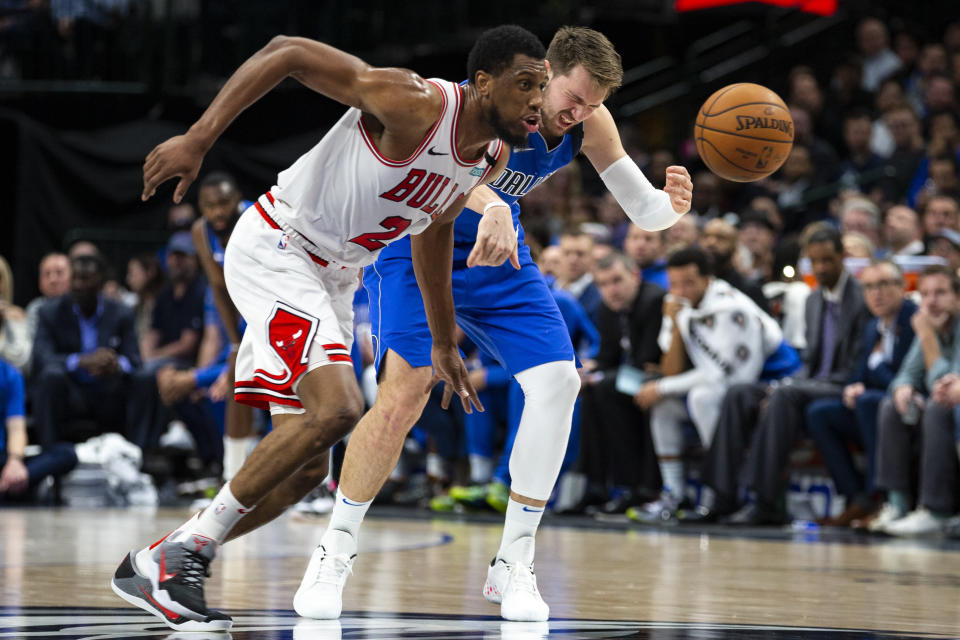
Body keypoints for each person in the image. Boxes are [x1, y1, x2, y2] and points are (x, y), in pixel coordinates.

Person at [111, 25, 547, 632]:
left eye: (543, 87)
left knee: (309, 469)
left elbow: (432, 231)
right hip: (280, 247)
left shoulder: (490, 156)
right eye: (526, 84)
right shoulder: (415, 102)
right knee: (340, 409)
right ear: (482, 84)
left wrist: (444, 340)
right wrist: (199, 137)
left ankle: (165, 560)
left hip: (336, 276)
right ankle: (178, 555)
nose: (537, 100)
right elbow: (286, 52)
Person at [347, 26, 690, 622]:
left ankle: (514, 559)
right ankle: (335, 550)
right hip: (414, 240)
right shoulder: (471, 105)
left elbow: (643, 210)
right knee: (405, 392)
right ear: (541, 74)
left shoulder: (589, 121)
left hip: (497, 252)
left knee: (560, 382)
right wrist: (496, 205)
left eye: (592, 105)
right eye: (571, 98)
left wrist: (670, 207)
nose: (577, 114)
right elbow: (456, 178)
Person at [628, 246, 792, 523]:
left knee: (701, 397)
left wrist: (661, 387)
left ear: (708, 279)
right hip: (731, 387)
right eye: (675, 283)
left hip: (773, 381)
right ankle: (675, 494)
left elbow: (724, 378)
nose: (681, 290)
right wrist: (675, 323)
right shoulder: (679, 304)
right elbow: (672, 370)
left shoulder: (731, 308)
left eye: (689, 282)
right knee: (664, 407)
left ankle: (721, 491)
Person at [805, 260, 916, 527]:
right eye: (868, 287)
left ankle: (877, 496)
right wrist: (852, 387)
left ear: (902, 287)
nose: (876, 294)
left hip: (905, 408)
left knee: (869, 402)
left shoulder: (913, 320)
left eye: (883, 285)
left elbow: (906, 380)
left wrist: (875, 369)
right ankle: (854, 496)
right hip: (872, 407)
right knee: (820, 413)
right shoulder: (872, 326)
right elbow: (859, 373)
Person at [870, 265, 960, 536]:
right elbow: (905, 374)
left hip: (950, 409)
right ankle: (897, 504)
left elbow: (943, 385)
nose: (931, 301)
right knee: (892, 405)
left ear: (958, 297)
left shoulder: (937, 328)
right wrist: (903, 388)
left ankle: (937, 511)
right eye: (925, 294)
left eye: (941, 293)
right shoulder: (932, 325)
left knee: (937, 408)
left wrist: (926, 336)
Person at [31, 254, 142, 448]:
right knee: (51, 376)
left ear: (100, 282)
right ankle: (50, 454)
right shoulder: (50, 311)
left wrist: (116, 364)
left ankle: (140, 453)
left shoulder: (121, 312)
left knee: (144, 378)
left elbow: (134, 360)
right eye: (74, 278)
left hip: (109, 388)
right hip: (70, 389)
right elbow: (42, 357)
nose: (78, 285)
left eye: (85, 278)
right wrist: (81, 361)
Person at [190, 172, 255, 482]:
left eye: (224, 204)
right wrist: (234, 343)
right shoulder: (201, 232)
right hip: (245, 315)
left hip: (281, 308)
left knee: (294, 396)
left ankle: (314, 485)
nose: (217, 212)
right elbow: (219, 288)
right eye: (209, 205)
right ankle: (233, 480)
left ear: (238, 200)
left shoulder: (256, 221)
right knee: (236, 380)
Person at [25, 252, 71, 343]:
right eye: (47, 274)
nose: (53, 279)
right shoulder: (35, 308)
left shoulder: (81, 305)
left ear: (73, 277)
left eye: (59, 272)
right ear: (39, 281)